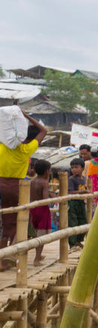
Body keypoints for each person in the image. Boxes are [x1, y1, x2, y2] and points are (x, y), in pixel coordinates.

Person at [0, 112, 47, 256]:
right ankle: (8, 256)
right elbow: (44, 131)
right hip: (15, 187)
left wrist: (10, 119)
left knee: (4, 222)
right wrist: (25, 115)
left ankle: (3, 256)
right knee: (18, 221)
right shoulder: (26, 149)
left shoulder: (3, 146)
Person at [29, 159, 52, 266]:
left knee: (37, 234)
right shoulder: (44, 182)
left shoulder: (32, 182)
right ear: (47, 171)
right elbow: (45, 199)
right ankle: (36, 259)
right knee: (41, 236)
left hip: (33, 209)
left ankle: (38, 256)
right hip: (42, 210)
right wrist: (54, 200)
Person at [67, 158, 90, 247]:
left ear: (82, 168)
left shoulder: (83, 179)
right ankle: (72, 244)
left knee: (83, 221)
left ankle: (78, 240)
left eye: (76, 167)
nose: (74, 170)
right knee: (73, 223)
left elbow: (84, 189)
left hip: (80, 203)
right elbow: (69, 192)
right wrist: (82, 192)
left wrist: (86, 191)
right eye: (72, 168)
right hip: (73, 203)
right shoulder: (71, 179)